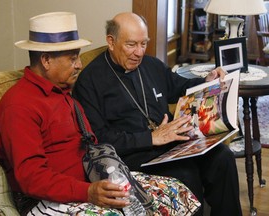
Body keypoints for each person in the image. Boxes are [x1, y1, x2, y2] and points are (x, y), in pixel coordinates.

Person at [73, 12, 242, 216]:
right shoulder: (89, 82)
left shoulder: (151, 65)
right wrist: (151, 138)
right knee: (186, 175)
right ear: (111, 41)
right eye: (131, 45)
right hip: (133, 156)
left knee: (223, 157)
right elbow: (99, 140)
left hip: (171, 145)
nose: (139, 52)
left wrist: (207, 80)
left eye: (143, 44)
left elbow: (180, 87)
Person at [0, 12, 129, 216]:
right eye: (73, 58)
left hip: (85, 188)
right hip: (44, 202)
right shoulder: (19, 106)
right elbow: (31, 178)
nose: (80, 64)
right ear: (46, 60)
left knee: (167, 191)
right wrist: (88, 192)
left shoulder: (62, 92)